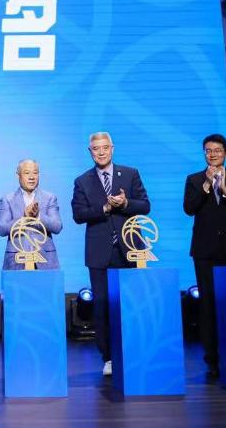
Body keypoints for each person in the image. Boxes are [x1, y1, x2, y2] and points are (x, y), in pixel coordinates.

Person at [71, 131, 150, 377]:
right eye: (96, 148)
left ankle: (134, 352)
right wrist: (104, 208)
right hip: (99, 253)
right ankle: (108, 357)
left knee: (132, 305)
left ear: (112, 148)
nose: (101, 152)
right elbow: (78, 215)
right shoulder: (82, 181)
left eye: (105, 147)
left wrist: (125, 204)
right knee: (103, 307)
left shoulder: (130, 173)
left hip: (130, 250)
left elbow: (145, 205)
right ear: (90, 152)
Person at [183, 133, 226, 379]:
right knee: (208, 304)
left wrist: (225, 190)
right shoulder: (194, 179)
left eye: (217, 150)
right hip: (204, 251)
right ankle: (212, 359)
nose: (212, 154)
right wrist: (205, 187)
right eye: (208, 150)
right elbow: (189, 208)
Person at [0, 159, 62, 269]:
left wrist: (38, 217)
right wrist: (24, 218)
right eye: (27, 173)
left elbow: (57, 226)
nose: (32, 177)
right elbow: (2, 229)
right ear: (18, 175)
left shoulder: (49, 198)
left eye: (35, 173)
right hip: (16, 260)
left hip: (45, 260)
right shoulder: (7, 199)